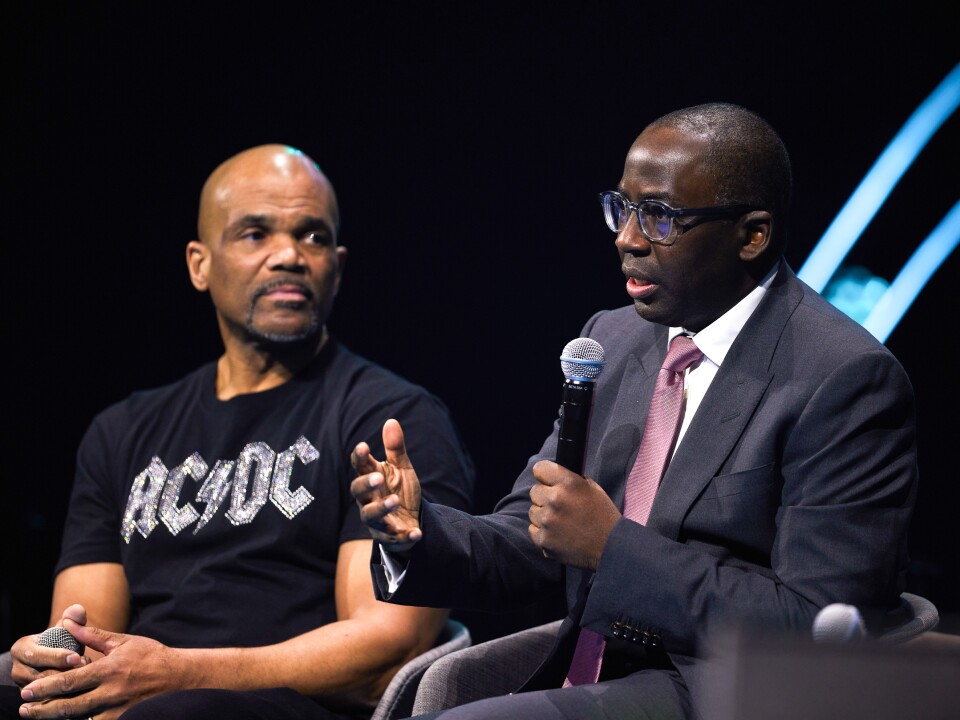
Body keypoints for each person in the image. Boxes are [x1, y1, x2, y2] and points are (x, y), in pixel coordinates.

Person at [350, 103, 918, 719]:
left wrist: (612, 546)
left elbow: (816, 625)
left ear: (751, 235)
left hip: (724, 689)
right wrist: (418, 532)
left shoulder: (845, 379)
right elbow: (536, 533)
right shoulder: (613, 342)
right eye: (622, 208)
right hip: (592, 664)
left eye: (661, 218)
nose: (627, 238)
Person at [5, 145, 474, 720]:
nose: (289, 256)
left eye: (313, 237)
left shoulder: (392, 420)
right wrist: (52, 657)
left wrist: (178, 674)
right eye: (255, 234)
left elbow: (383, 651)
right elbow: (81, 628)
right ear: (199, 265)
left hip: (283, 705)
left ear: (338, 268)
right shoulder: (121, 431)